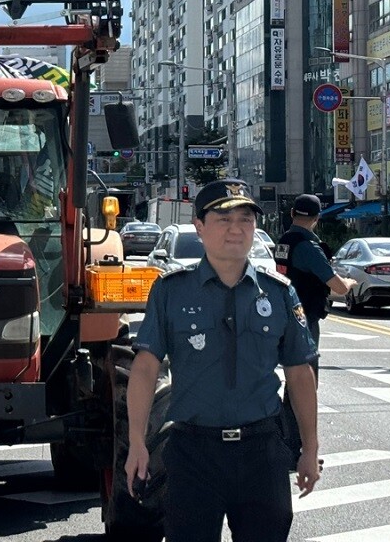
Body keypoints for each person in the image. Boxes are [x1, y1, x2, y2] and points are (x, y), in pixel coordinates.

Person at [125, 179, 321, 542]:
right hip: (193, 452)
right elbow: (145, 368)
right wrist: (137, 441)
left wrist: (309, 449)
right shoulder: (171, 290)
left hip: (262, 450)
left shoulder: (279, 292)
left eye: (246, 219)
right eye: (223, 219)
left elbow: (299, 372)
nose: (237, 229)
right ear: (199, 226)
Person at [274, 195, 356, 350]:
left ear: (292, 213)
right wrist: (348, 283)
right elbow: (339, 288)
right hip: (304, 315)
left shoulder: (283, 241)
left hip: (283, 311)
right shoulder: (308, 247)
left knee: (291, 367)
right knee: (306, 369)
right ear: (317, 217)